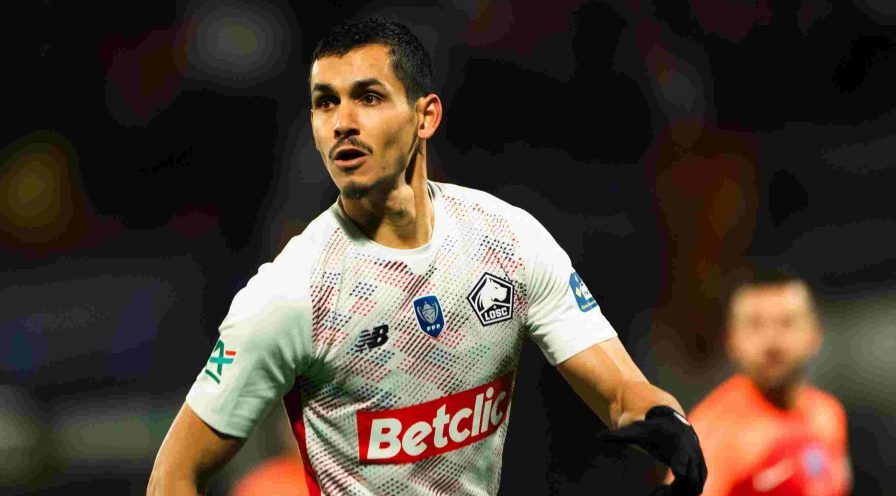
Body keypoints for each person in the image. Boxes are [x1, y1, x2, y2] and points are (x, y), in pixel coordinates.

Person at [147, 17, 705, 496]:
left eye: (368, 97)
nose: (342, 122)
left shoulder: (508, 241)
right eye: (325, 102)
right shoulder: (292, 293)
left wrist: (667, 421)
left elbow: (622, 392)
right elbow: (172, 475)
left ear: (426, 116)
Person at [676, 267, 850, 495]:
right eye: (755, 325)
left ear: (815, 333)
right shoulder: (713, 432)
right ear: (731, 339)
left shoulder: (829, 414)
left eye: (787, 322)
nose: (772, 341)